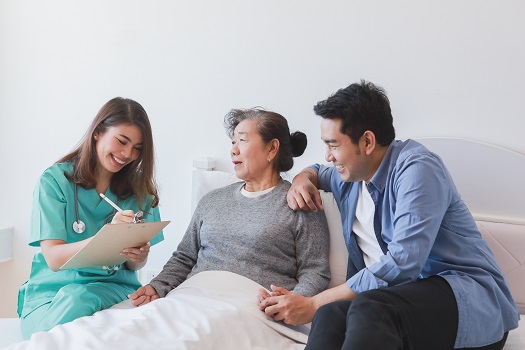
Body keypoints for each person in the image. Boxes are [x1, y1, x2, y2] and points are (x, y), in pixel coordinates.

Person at [258, 81, 520, 350]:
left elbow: (404, 262)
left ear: (368, 141)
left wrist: (313, 303)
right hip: (399, 310)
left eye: (333, 145)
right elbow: (316, 170)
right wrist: (303, 177)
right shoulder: (349, 177)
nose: (328, 156)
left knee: (367, 306)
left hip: (470, 305)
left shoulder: (417, 168)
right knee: (330, 314)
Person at [129, 108, 330, 307]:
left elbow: (315, 272)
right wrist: (157, 286)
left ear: (271, 149)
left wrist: (291, 302)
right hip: (191, 298)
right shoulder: (212, 200)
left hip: (252, 307)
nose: (233, 150)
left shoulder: (301, 202)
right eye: (233, 142)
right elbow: (184, 257)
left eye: (242, 140)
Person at [17, 97, 164, 339]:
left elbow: (134, 266)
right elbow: (53, 258)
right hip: (54, 291)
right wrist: (108, 237)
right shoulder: (55, 181)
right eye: (122, 141)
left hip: (114, 288)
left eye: (137, 148)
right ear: (97, 132)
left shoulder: (140, 190)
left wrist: (139, 256)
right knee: (74, 302)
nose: (127, 154)